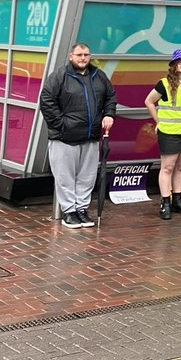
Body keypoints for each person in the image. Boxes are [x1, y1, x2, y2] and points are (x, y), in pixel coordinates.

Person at [39, 43, 117, 230]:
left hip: (90, 136)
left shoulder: (99, 76)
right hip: (64, 138)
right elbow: (46, 101)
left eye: (86, 55)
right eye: (79, 54)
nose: (83, 58)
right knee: (65, 176)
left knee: (87, 176)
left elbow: (110, 97)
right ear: (71, 56)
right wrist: (62, 125)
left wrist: (108, 114)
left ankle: (81, 209)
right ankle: (69, 212)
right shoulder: (60, 76)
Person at [144, 49, 181, 220]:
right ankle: (165, 202)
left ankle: (178, 200)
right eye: (180, 61)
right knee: (167, 167)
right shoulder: (164, 83)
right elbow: (148, 101)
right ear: (174, 65)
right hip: (169, 131)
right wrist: (158, 121)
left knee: (180, 167)